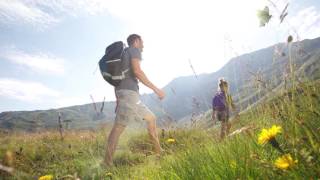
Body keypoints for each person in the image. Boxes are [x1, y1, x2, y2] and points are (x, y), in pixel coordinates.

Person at [104, 34, 165, 166]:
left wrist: (118, 99)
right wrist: (156, 89)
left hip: (126, 94)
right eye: (142, 42)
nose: (143, 45)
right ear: (136, 41)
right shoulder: (133, 50)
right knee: (119, 127)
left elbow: (117, 81)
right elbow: (138, 71)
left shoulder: (123, 54)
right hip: (129, 94)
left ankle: (159, 152)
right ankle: (106, 162)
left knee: (151, 118)